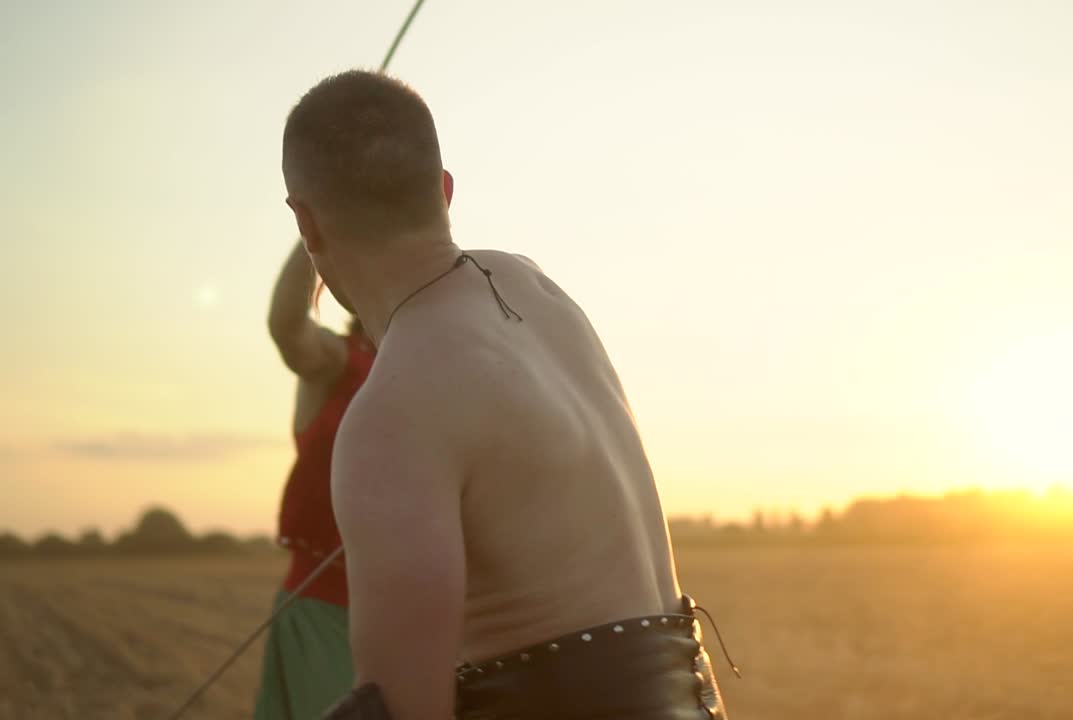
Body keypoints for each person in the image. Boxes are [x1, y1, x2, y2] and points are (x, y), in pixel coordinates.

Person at [281, 69, 734, 720]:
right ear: (443, 191)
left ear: (307, 224)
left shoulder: (390, 413)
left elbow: (404, 712)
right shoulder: (537, 290)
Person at [252, 238, 374, 720]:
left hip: (430, 613)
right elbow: (288, 328)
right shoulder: (336, 360)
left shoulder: (443, 370)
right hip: (326, 608)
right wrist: (315, 227)